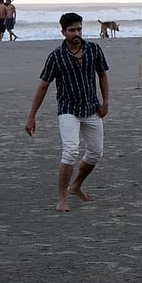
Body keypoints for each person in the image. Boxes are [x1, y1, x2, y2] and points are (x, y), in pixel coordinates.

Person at [24, 13, 110, 212]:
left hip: (91, 108)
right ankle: (62, 198)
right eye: (72, 30)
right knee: (70, 150)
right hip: (68, 109)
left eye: (79, 29)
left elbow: (103, 75)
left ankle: (76, 186)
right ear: (63, 32)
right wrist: (31, 117)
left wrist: (106, 102)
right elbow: (43, 86)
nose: (76, 33)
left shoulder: (93, 49)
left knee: (96, 152)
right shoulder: (56, 56)